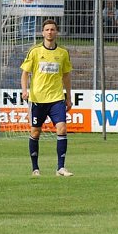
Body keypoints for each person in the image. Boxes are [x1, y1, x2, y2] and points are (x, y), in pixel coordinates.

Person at [20, 19, 73, 177]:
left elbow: (67, 76)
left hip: (56, 98)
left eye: (52, 29)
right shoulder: (35, 51)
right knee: (35, 132)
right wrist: (24, 91)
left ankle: (60, 168)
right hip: (37, 99)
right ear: (43, 33)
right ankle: (35, 168)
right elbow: (25, 73)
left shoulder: (63, 53)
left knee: (62, 128)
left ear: (56, 32)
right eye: (47, 30)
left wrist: (68, 98)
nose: (50, 32)